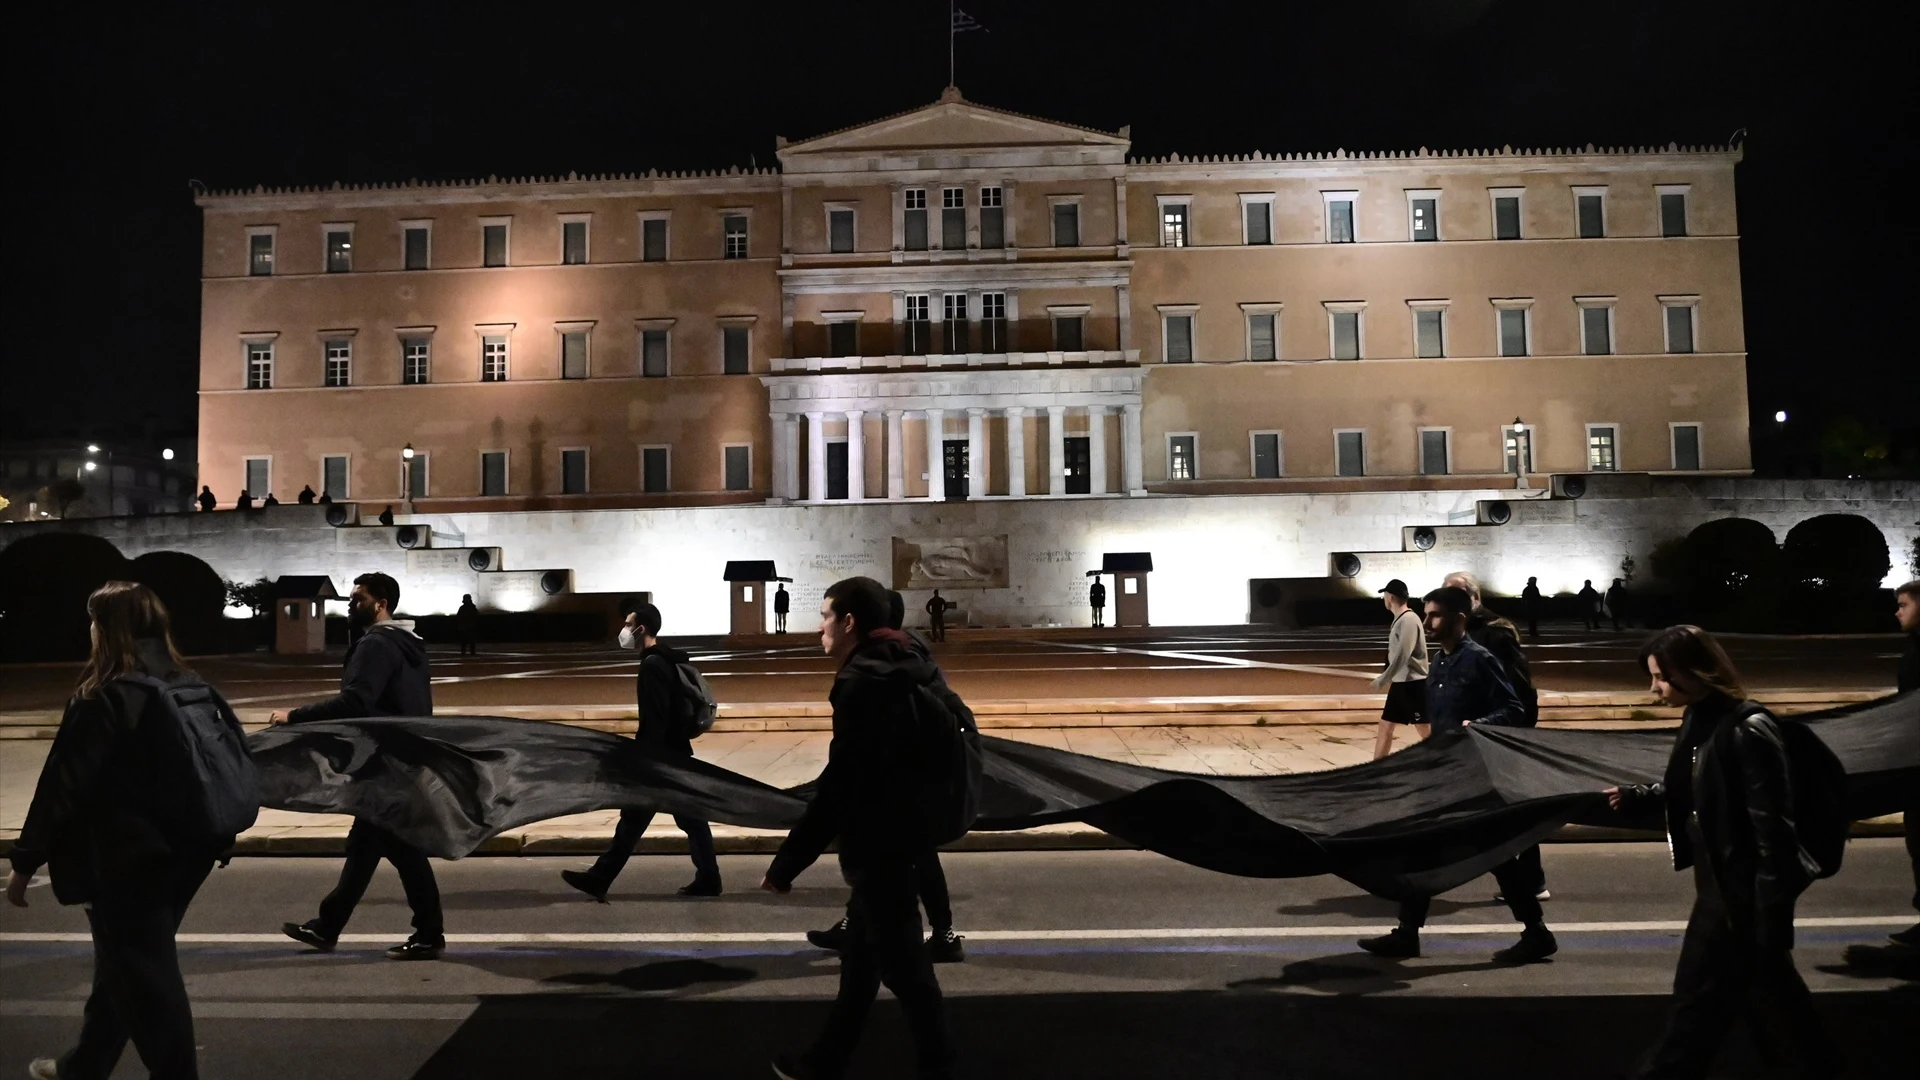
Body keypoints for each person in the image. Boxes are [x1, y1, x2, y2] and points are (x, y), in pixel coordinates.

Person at [6, 582, 234, 1080]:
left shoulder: (107, 695)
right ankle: (83, 1066)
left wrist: (24, 863)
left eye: (93, 621)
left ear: (105, 630)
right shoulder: (187, 683)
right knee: (125, 966)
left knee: (147, 977)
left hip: (128, 861)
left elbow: (60, 789)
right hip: (188, 852)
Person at [1605, 626, 1838, 1078]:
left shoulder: (1749, 728)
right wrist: (1644, 796)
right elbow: (1701, 786)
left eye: (1662, 677)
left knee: (1695, 1011)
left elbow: (1774, 835)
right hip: (1723, 888)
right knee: (1775, 1012)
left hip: (1737, 898)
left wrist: (1766, 918)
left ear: (1697, 672)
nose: (1654, 688)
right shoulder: (1700, 718)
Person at [762, 576, 955, 1080]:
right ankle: (824, 1061)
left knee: (908, 975)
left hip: (880, 846)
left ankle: (940, 1070)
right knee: (860, 965)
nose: (820, 626)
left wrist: (788, 862)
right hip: (905, 834)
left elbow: (842, 785)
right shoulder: (910, 663)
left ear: (849, 622)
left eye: (825, 616)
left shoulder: (862, 684)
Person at [1359, 585, 1558, 965]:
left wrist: (1478, 724)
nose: (1428, 622)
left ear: (1459, 619)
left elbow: (1513, 707)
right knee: (1423, 850)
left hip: (1474, 775)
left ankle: (1536, 932)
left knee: (1497, 855)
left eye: (1435, 615)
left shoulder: (1479, 659)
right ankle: (1408, 933)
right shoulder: (1440, 663)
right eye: (1427, 614)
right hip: (1444, 772)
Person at [273, 572, 444, 961]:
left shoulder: (376, 645)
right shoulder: (407, 644)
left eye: (359, 598)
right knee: (368, 845)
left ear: (380, 604)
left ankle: (429, 933)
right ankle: (328, 925)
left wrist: (295, 716)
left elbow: (356, 702)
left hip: (384, 760)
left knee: (399, 847)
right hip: (402, 755)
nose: (351, 604)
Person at [808, 589, 969, 964]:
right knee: (895, 861)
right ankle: (864, 933)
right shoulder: (906, 652)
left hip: (901, 788)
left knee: (905, 862)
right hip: (911, 783)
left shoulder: (884, 662)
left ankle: (938, 938)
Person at [561, 603, 720, 901]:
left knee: (640, 819)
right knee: (682, 819)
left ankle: (600, 877)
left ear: (641, 628)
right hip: (673, 755)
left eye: (627, 624)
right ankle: (708, 878)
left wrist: (645, 757)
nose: (624, 631)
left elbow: (655, 717)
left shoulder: (652, 665)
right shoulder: (666, 660)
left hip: (660, 759)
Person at [1443, 570, 1549, 903]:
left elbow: (1518, 688)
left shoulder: (1495, 632)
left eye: (1452, 597)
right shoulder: (1461, 632)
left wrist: (1505, 728)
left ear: (1472, 598)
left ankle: (1530, 885)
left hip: (1498, 733)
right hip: (1472, 733)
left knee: (1509, 808)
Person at [1368, 578, 1429, 760]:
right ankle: (1376, 767)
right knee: (1385, 725)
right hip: (1401, 683)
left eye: (1385, 595)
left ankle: (1448, 761)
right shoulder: (1401, 619)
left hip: (1413, 684)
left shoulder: (1408, 620)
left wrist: (1383, 678)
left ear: (1391, 597)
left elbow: (1403, 653)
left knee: (1425, 729)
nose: (1384, 599)